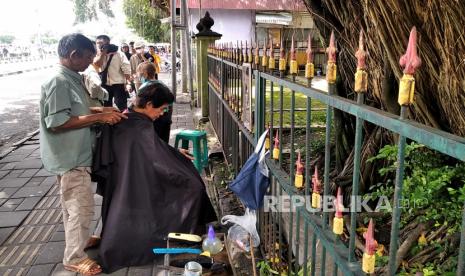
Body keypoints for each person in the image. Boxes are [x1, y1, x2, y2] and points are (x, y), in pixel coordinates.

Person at [93, 82, 216, 273]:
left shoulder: (130, 118)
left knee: (187, 175)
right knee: (193, 186)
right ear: (149, 105)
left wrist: (172, 153)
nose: (162, 114)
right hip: (138, 178)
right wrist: (172, 158)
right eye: (162, 109)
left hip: (125, 178)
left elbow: (151, 150)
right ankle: (184, 234)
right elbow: (152, 155)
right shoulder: (137, 125)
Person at [39, 33, 127, 275]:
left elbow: (77, 109)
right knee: (81, 206)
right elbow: (57, 121)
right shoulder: (59, 81)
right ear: (73, 55)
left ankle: (79, 240)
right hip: (70, 156)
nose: (91, 62)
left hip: (74, 153)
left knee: (71, 205)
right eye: (88, 57)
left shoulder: (72, 78)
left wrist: (101, 109)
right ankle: (74, 257)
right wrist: (99, 116)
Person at [93, 35, 131, 111]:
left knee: (121, 106)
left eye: (101, 43)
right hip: (104, 84)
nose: (99, 45)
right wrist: (103, 53)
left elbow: (126, 69)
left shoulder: (119, 54)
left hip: (119, 84)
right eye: (97, 43)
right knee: (106, 107)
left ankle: (123, 121)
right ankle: (109, 122)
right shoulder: (98, 54)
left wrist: (128, 83)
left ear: (108, 43)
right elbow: (97, 64)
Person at [137, 61, 172, 143]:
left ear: (145, 74)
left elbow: (141, 107)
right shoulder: (161, 84)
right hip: (166, 118)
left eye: (139, 74)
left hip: (155, 119)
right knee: (163, 142)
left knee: (154, 143)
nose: (138, 76)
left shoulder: (144, 88)